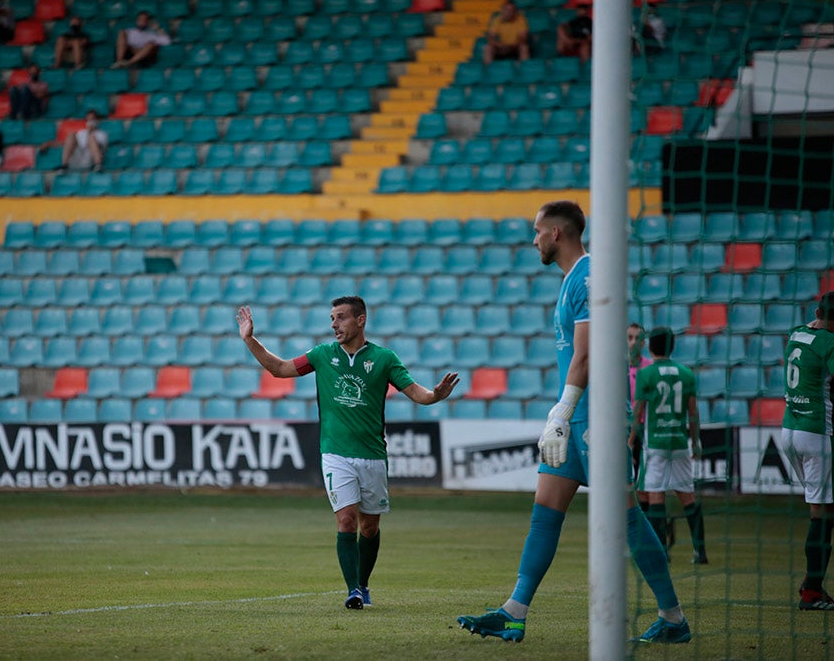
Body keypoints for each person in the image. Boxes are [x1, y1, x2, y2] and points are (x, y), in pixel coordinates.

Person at [456, 201, 691, 644]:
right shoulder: (572, 279)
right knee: (544, 512)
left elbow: (585, 355)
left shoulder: (587, 275)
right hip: (580, 413)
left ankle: (674, 617)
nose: (533, 239)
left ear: (557, 233)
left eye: (537, 231)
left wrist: (561, 412)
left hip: (595, 417)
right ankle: (514, 612)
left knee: (626, 519)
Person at [237, 297, 459, 610]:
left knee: (369, 527)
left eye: (340, 318)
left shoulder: (384, 359)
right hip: (335, 452)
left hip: (372, 455)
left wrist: (435, 395)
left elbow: (415, 392)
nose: (333, 324)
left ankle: (364, 583)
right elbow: (280, 369)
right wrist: (250, 340)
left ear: (360, 320)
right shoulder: (322, 355)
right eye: (331, 318)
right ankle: (353, 590)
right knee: (346, 520)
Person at [629, 326, 707, 565]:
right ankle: (700, 552)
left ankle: (661, 550)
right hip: (680, 441)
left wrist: (631, 440)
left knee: (655, 494)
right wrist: (695, 441)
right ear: (672, 346)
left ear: (650, 346)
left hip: (656, 443)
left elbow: (638, 411)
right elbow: (693, 413)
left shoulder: (646, 374)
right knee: (688, 495)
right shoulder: (686, 373)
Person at [778, 291, 834, 610]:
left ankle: (812, 583)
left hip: (789, 429)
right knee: (822, 512)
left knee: (825, 508)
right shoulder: (829, 341)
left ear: (816, 310)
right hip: (816, 432)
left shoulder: (796, 333)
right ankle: (812, 592)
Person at [628, 323, 653, 513]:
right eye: (629, 338)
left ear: (644, 343)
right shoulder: (613, 368)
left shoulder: (650, 368)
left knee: (643, 483)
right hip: (620, 429)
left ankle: (648, 525)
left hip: (644, 430)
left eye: (637, 338)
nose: (633, 342)